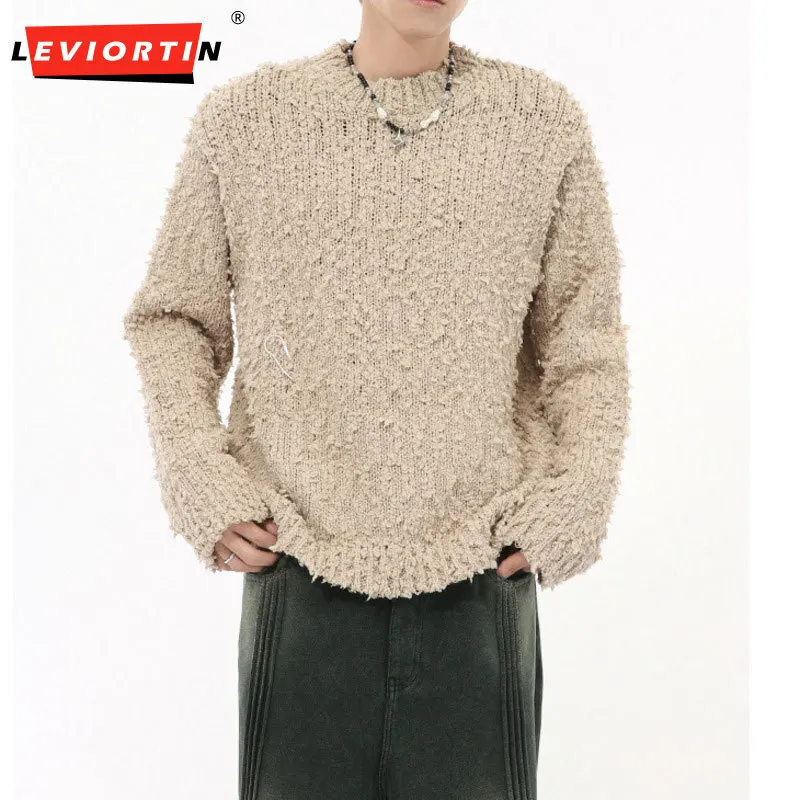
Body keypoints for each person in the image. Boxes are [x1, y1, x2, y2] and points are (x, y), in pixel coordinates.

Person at [122, 1, 630, 797]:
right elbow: (174, 321)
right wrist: (199, 476)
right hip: (298, 577)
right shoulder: (247, 123)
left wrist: (577, 497)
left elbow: (584, 341)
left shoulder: (540, 123)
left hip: (482, 584)